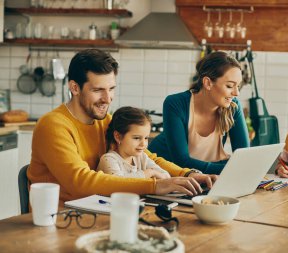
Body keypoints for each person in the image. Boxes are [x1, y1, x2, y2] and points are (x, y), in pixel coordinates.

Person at [28, 49, 217, 205]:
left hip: (100, 211)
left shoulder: (105, 121)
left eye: (111, 89)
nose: (107, 98)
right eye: (97, 90)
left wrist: (189, 174)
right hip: (62, 220)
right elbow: (81, 182)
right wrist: (156, 186)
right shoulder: (53, 125)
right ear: (75, 88)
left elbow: (147, 157)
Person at [148, 51, 250, 175]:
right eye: (229, 86)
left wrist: (238, 167)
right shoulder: (175, 103)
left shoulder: (233, 107)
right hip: (163, 174)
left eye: (238, 86)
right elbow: (181, 161)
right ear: (207, 83)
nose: (236, 93)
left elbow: (244, 158)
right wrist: (231, 168)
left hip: (201, 178)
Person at [97, 106, 170, 179]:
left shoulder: (141, 157)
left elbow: (166, 176)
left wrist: (153, 172)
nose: (143, 144)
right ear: (118, 136)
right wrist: (150, 173)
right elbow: (120, 183)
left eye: (146, 138)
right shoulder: (108, 159)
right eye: (137, 138)